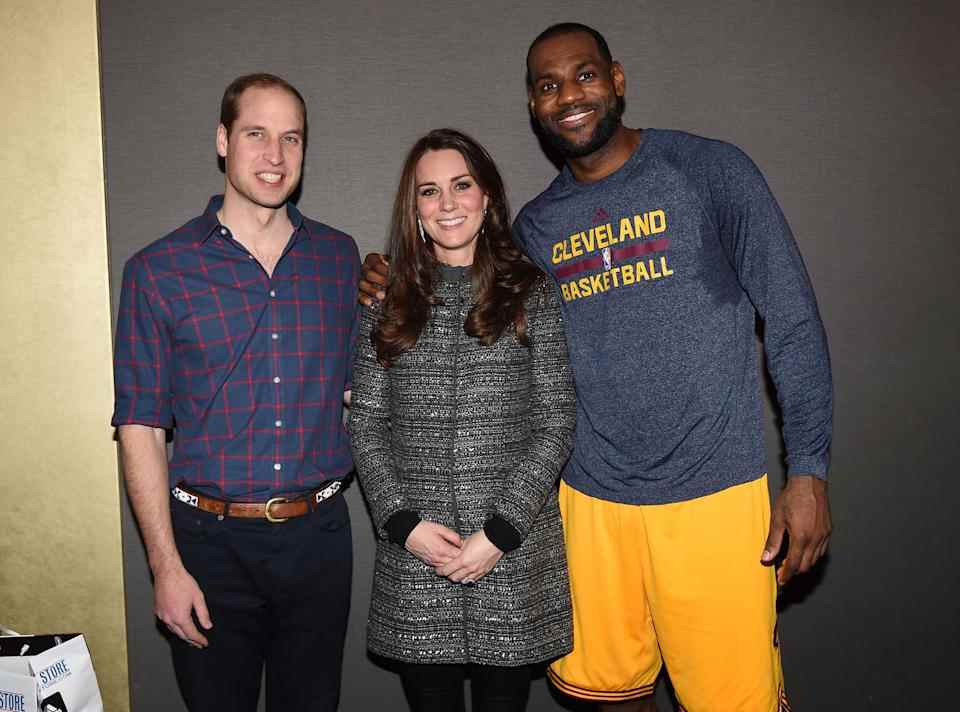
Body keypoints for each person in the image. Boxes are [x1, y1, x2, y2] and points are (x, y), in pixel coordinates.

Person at [358, 23, 833, 712]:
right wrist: (389, 275)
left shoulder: (710, 172)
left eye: (583, 75)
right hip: (590, 505)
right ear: (532, 105)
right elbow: (465, 302)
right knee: (605, 697)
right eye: (548, 86)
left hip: (714, 496)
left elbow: (792, 321)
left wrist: (809, 471)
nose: (568, 97)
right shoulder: (537, 230)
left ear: (617, 78)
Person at [112, 73, 360, 711]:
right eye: (256, 134)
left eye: (291, 139)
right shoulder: (156, 272)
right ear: (223, 141)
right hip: (207, 545)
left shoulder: (339, 259)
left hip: (320, 540)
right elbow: (139, 425)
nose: (274, 156)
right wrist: (165, 567)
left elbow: (365, 385)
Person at [348, 128, 575, 712]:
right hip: (417, 557)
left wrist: (500, 533)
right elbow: (367, 423)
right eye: (429, 191)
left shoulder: (531, 293)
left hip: (510, 554)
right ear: (414, 208)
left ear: (488, 198)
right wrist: (405, 526)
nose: (447, 204)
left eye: (461, 186)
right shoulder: (385, 300)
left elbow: (556, 421)